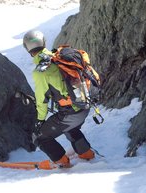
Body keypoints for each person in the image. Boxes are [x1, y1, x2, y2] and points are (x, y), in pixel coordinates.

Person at [23, 30, 95, 169]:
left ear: (27, 49)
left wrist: (40, 120)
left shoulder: (41, 72)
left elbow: (41, 100)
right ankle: (86, 154)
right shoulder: (59, 58)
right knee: (69, 127)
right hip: (84, 106)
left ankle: (62, 162)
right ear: (43, 42)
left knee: (39, 137)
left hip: (70, 113)